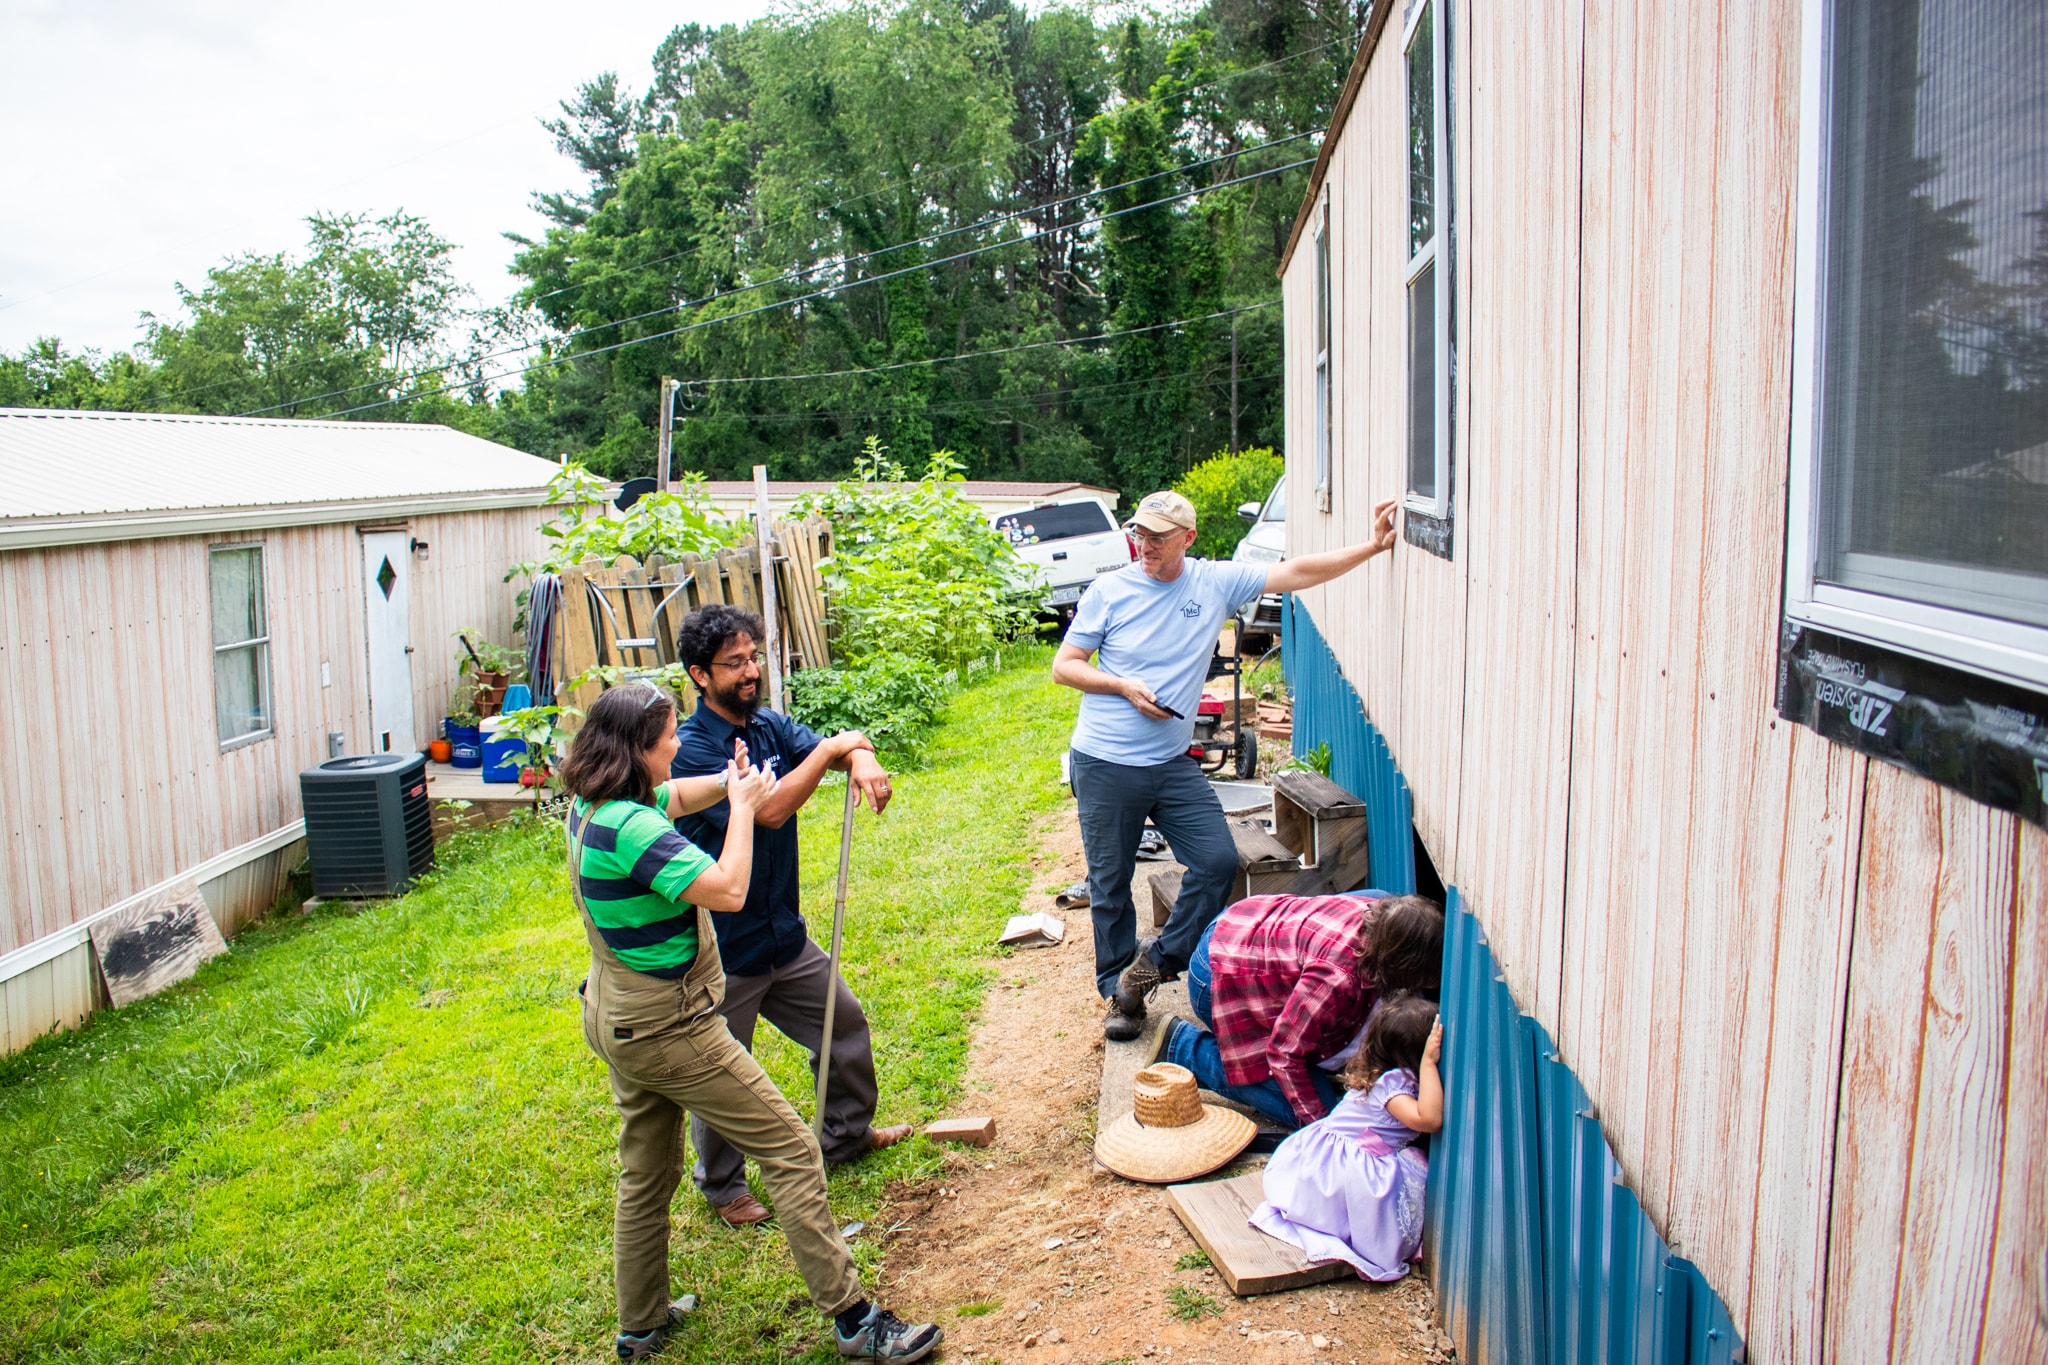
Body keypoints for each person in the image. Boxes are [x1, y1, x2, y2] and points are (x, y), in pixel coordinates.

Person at [561, 682, 941, 1362]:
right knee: (793, 1149)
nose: (676, 747)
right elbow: (729, 888)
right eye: (667, 739)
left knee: (645, 1172)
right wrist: (742, 807)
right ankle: (856, 1319)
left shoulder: (593, 810)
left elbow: (679, 795)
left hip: (615, 1017)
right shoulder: (637, 830)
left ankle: (639, 1325)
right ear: (639, 749)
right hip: (670, 1028)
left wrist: (734, 779)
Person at [1051, 487, 1401, 1040]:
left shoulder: (1213, 581)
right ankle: (1118, 993)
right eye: (1139, 532)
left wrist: (1372, 548)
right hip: (1107, 760)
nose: (1145, 544)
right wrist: (1121, 686)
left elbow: (1299, 572)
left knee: (1215, 861)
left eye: (1159, 537)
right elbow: (1065, 666)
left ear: (1187, 538)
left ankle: (1154, 965)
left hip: (1170, 762)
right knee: (1110, 882)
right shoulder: (1109, 590)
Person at [669, 604, 911, 1229]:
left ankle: (845, 1136)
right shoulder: (693, 752)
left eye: (754, 657)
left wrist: (857, 756)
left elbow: (837, 747)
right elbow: (770, 811)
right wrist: (833, 748)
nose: (751, 671)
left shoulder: (770, 727)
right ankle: (723, 1186)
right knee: (726, 1072)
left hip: (785, 935)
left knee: (845, 1025)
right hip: (730, 947)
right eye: (735, 663)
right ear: (700, 674)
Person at [1143, 893, 1444, 1128]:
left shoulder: (1383, 911)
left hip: (1245, 921)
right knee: (1324, 1112)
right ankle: (1183, 1048)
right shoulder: (1336, 978)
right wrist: (1323, 1130)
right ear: (1403, 964)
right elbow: (1284, 1055)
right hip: (1217, 972)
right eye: (1427, 975)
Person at [1249, 991, 1443, 1281]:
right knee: (1411, 1172)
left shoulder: (1382, 1071)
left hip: (1330, 1155)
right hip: (1341, 1167)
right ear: (1416, 1053)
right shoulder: (1391, 1085)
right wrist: (1429, 1065)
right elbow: (1429, 1119)